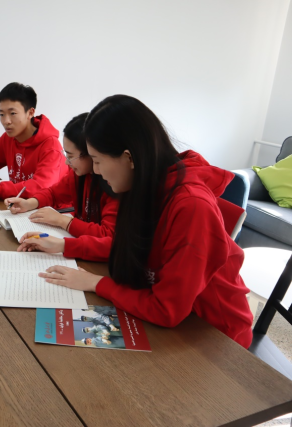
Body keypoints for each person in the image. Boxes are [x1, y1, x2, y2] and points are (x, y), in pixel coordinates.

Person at [38, 95, 253, 349]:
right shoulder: (141, 185)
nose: (95, 171)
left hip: (214, 335)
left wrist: (96, 283)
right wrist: (67, 248)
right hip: (170, 315)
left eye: (97, 161)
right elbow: (125, 245)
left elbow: (166, 310)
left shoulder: (191, 206)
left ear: (129, 158)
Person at [7, 113, 119, 261]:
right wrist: (29, 203)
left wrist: (62, 221)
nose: (67, 162)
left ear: (91, 153)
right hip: (82, 249)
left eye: (71, 156)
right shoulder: (78, 175)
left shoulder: (114, 184)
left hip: (101, 259)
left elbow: (108, 236)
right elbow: (54, 193)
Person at [0, 82, 67, 199]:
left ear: (30, 113)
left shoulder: (51, 146)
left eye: (12, 113)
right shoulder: (9, 138)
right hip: (19, 204)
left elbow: (40, 187)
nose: (6, 121)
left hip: (52, 208)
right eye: (2, 114)